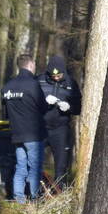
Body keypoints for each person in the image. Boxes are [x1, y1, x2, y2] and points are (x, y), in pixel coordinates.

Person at [0, 54, 47, 203]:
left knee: (20, 167)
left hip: (16, 135)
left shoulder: (7, 87)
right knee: (34, 168)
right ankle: (35, 199)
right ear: (31, 65)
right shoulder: (33, 85)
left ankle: (19, 199)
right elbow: (43, 107)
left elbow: (5, 113)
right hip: (32, 134)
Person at [37, 54, 82, 191]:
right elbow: (30, 102)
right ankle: (35, 192)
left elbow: (78, 108)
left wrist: (69, 107)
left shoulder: (71, 84)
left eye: (59, 75)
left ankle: (58, 194)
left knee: (61, 165)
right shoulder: (39, 80)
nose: (56, 77)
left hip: (60, 129)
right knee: (33, 161)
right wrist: (42, 101)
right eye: (53, 75)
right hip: (41, 128)